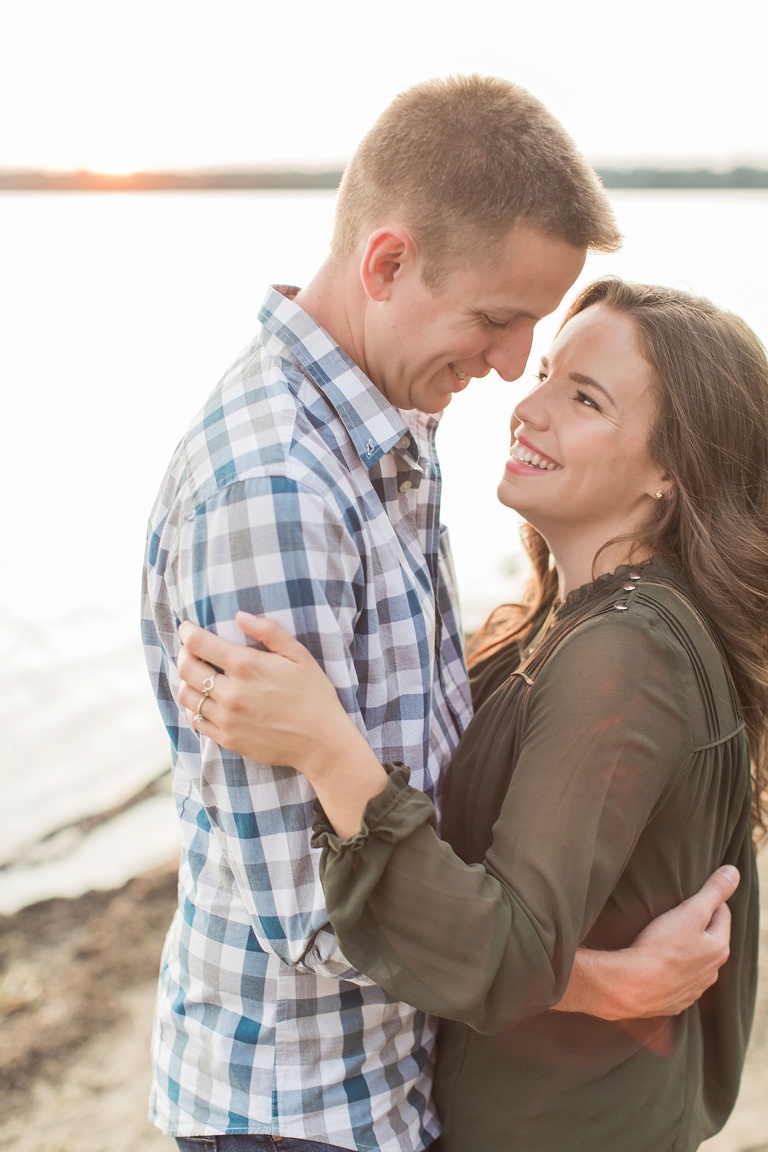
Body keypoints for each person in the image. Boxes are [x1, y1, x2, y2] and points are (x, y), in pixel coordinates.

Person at [143, 75, 738, 1152]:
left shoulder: (394, 433)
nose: (511, 373)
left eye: (556, 364)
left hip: (390, 1089)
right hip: (303, 1110)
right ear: (387, 264)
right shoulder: (276, 490)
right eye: (504, 325)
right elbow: (312, 910)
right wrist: (600, 982)